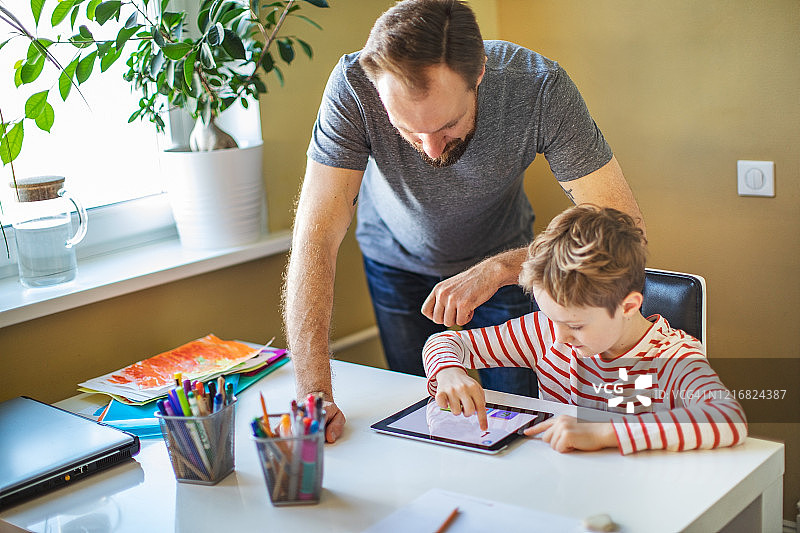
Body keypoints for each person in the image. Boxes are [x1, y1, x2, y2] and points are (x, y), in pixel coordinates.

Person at [284, 0, 646, 443]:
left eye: (447, 126)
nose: (431, 150)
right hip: (393, 263)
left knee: (521, 423)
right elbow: (316, 238)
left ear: (479, 75)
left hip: (507, 268)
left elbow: (623, 227)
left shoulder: (538, 86)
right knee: (420, 418)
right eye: (408, 129)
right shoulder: (352, 87)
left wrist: (501, 268)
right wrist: (314, 393)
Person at [423, 205, 747, 454]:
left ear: (628, 306)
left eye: (575, 325)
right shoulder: (543, 333)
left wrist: (605, 431)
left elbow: (727, 418)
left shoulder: (672, 356)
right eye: (552, 318)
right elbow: (445, 342)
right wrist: (450, 372)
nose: (560, 337)